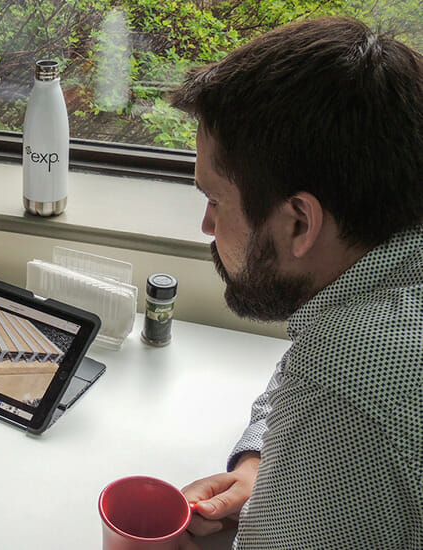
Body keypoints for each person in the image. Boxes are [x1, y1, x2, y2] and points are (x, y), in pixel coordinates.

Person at [170, 16, 423, 549]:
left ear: (300, 223)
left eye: (215, 200)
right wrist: (263, 462)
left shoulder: (349, 374)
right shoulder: (381, 289)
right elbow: (312, 357)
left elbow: (337, 372)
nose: (207, 226)